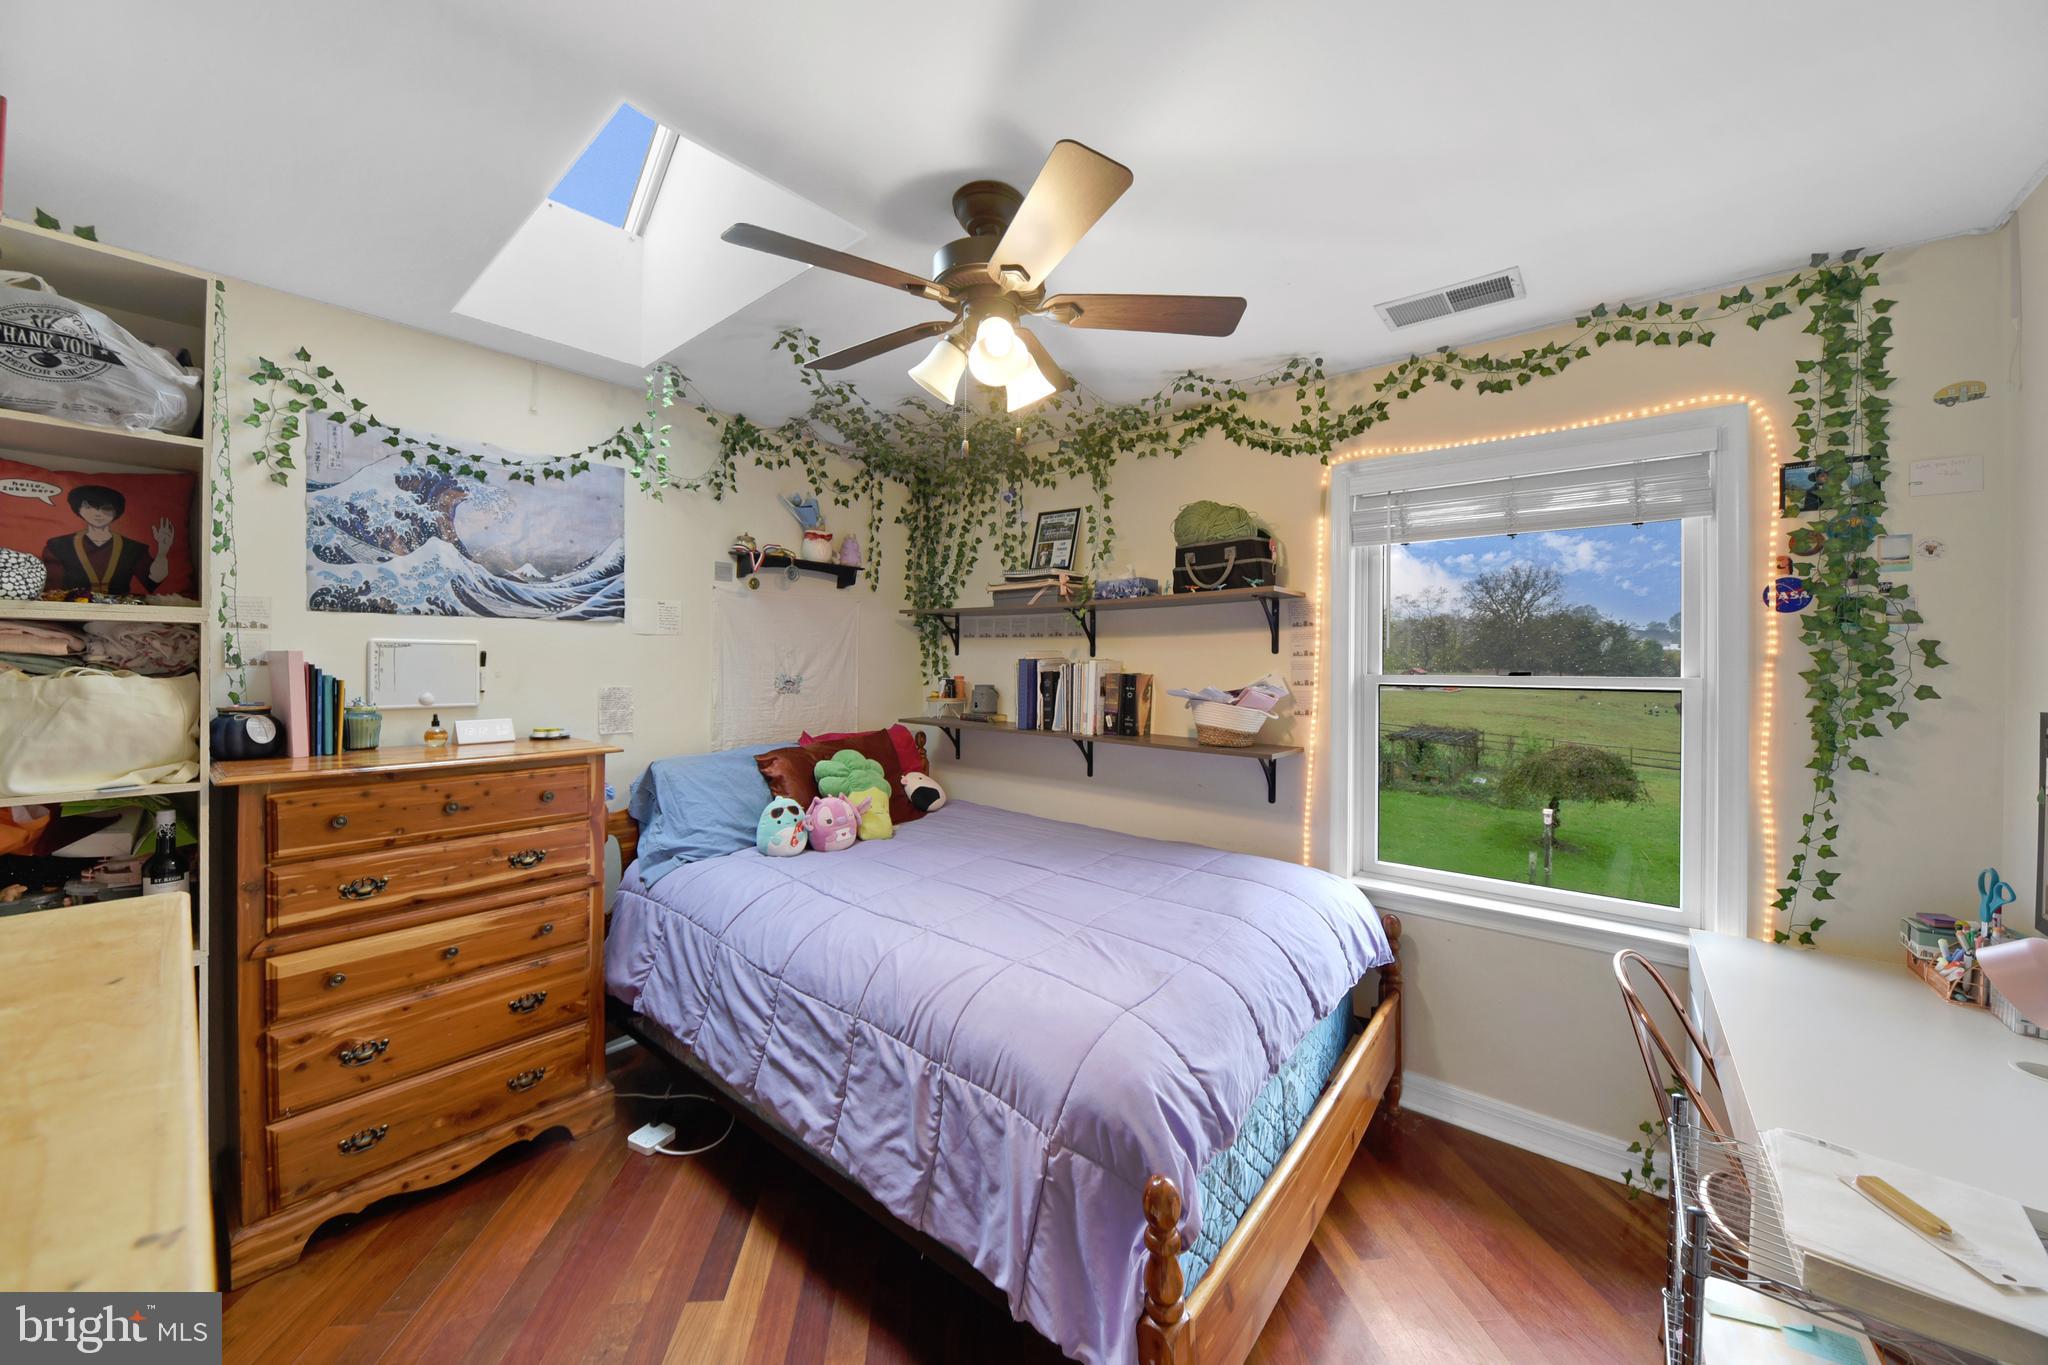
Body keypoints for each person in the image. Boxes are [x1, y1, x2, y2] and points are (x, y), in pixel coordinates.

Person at [39, 485, 175, 595]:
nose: (98, 513)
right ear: (78, 510)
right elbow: (52, 590)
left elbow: (154, 580)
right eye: (89, 507)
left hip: (120, 612)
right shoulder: (59, 545)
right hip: (72, 611)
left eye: (106, 508)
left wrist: (162, 552)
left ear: (116, 512)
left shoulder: (133, 548)